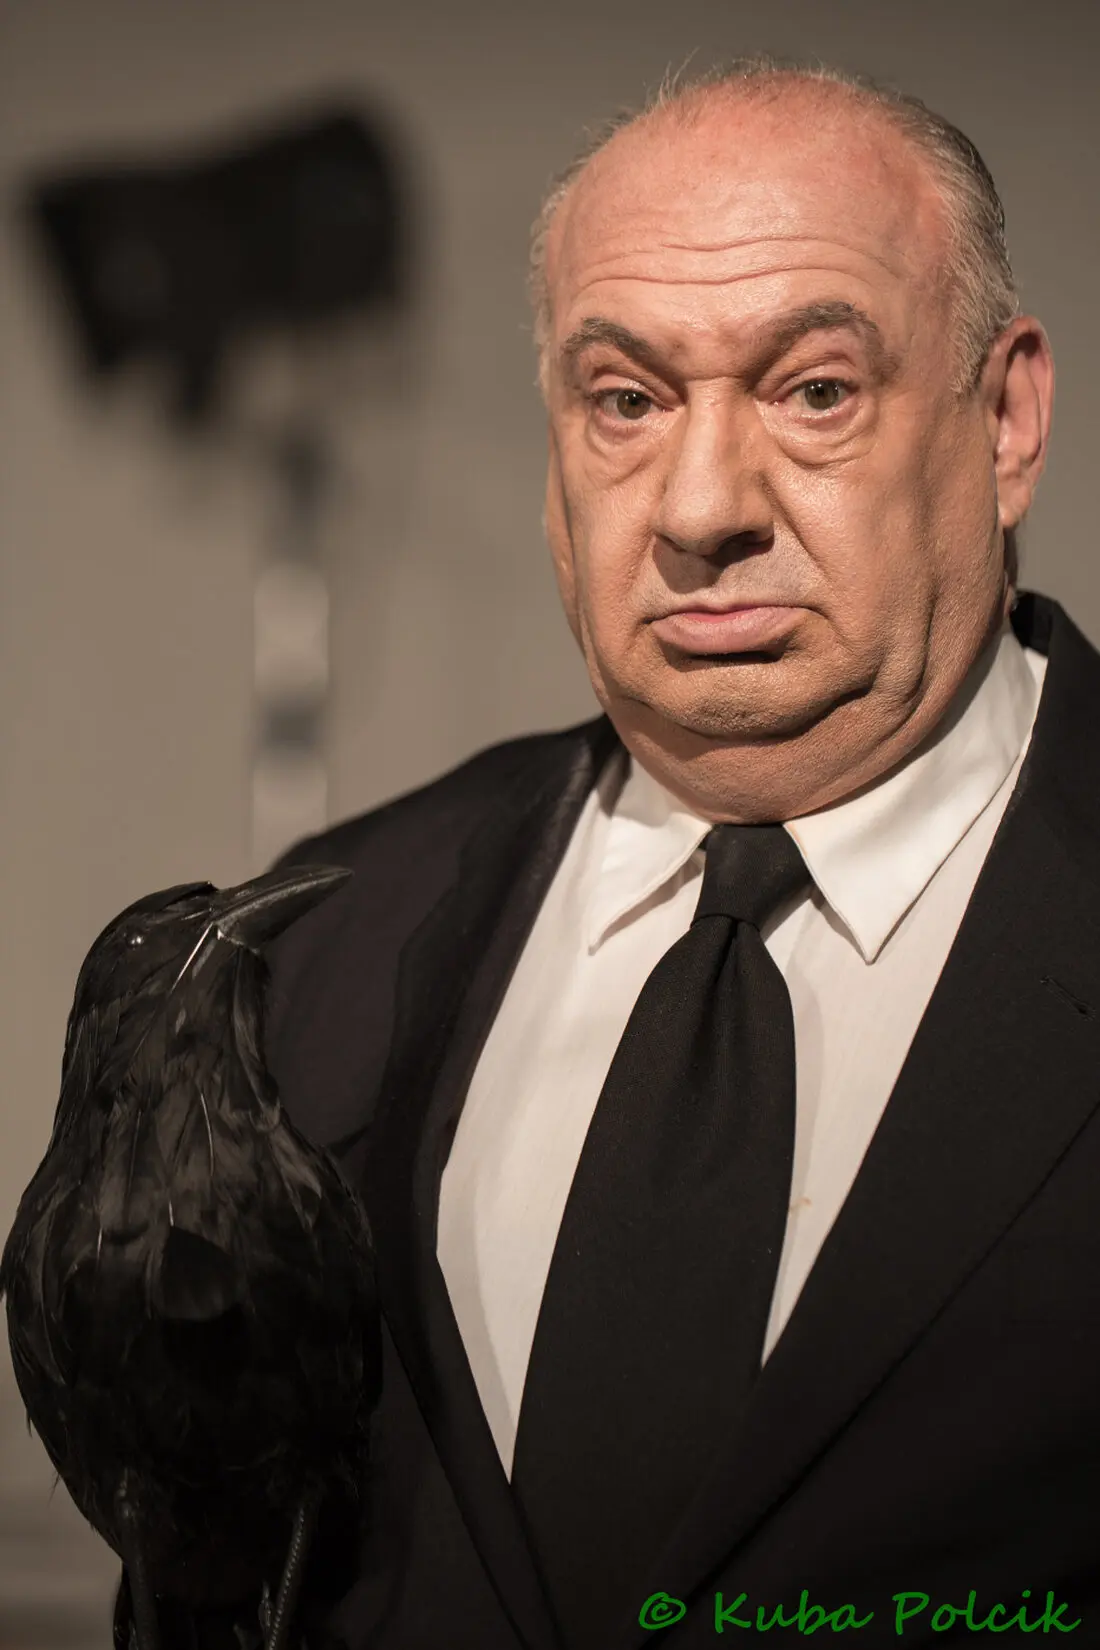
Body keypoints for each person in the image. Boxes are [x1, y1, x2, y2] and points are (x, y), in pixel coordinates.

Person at [256, 56, 1100, 1650]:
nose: (702, 506)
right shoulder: (317, 948)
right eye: (627, 400)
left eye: (816, 390)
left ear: (1006, 419)